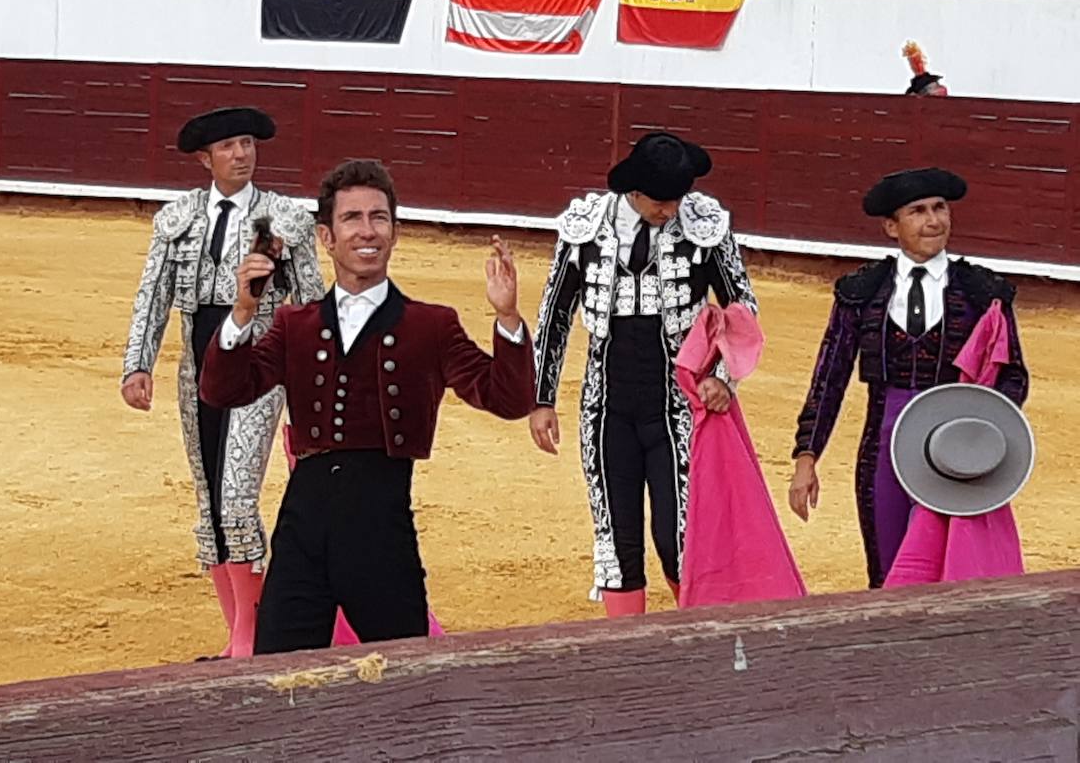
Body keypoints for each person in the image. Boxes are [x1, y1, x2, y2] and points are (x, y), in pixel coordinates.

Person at [199, 159, 535, 654]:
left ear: (395, 232)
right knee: (279, 675)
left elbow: (507, 399)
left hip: (382, 524)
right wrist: (242, 314)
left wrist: (507, 318)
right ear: (326, 237)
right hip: (303, 527)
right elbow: (223, 391)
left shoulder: (431, 326)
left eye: (379, 217)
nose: (367, 230)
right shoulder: (296, 325)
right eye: (352, 218)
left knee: (403, 681)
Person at [121, 107, 324, 659]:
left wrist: (319, 384)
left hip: (262, 366)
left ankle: (247, 639)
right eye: (229, 146)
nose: (242, 153)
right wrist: (137, 364)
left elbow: (310, 305)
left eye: (248, 143)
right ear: (204, 159)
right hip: (198, 365)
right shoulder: (177, 218)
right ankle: (239, 627)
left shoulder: (285, 219)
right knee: (210, 497)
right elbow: (152, 296)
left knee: (236, 496)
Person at [529, 133, 758, 615]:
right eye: (660, 202)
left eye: (677, 200)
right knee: (616, 544)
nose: (671, 211)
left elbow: (741, 305)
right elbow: (556, 312)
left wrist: (722, 374)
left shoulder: (704, 225)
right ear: (633, 192)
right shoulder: (587, 227)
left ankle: (690, 644)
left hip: (677, 408)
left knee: (679, 538)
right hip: (605, 408)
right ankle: (626, 657)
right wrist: (543, 397)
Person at [789, 168, 1028, 589]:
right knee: (887, 570)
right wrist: (806, 457)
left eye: (940, 208)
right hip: (884, 447)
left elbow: (1014, 378)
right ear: (890, 226)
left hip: (956, 445)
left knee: (953, 569)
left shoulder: (982, 292)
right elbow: (830, 376)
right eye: (917, 211)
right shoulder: (860, 292)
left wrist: (982, 443)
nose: (934, 221)